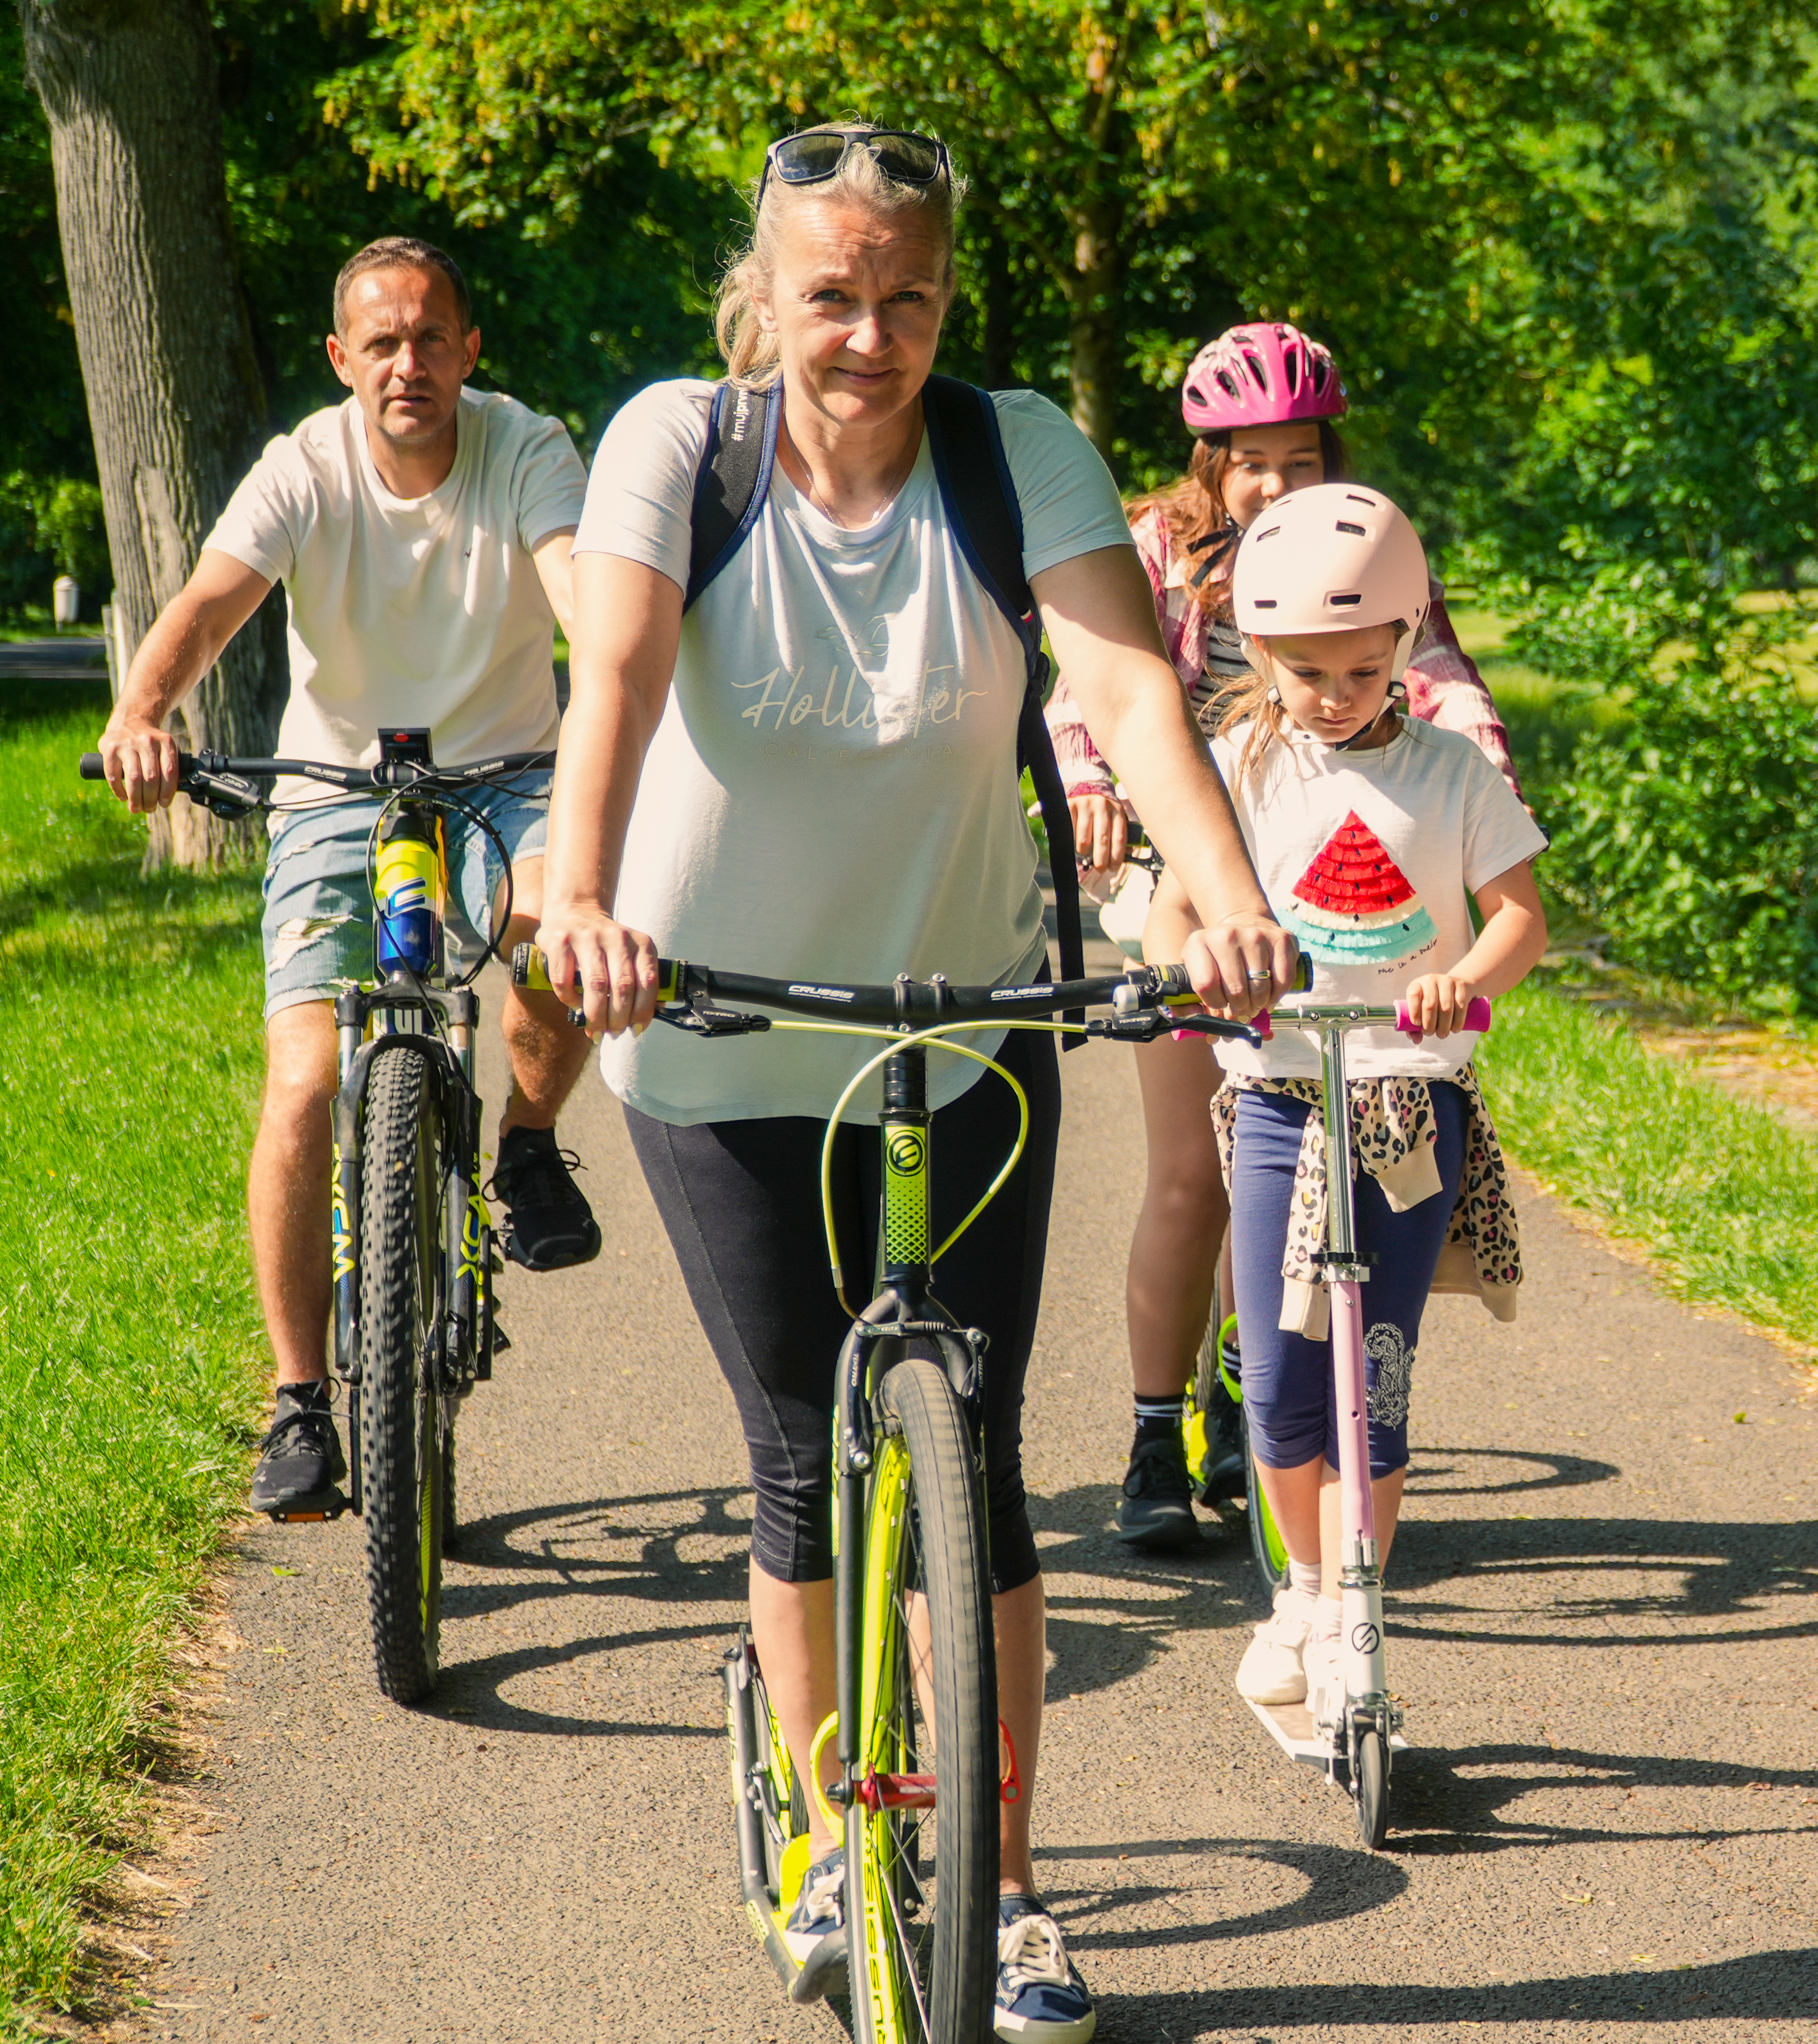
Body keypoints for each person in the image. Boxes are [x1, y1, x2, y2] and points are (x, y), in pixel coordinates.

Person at [531, 125, 1292, 2043]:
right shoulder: (675, 450)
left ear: (948, 300)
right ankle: (819, 1827)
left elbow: (1127, 688)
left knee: (981, 1453)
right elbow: (611, 686)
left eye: (910, 297)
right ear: (767, 292)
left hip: (968, 1015)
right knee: (802, 1449)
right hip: (710, 1016)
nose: (870, 335)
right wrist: (582, 896)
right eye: (832, 295)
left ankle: (1009, 1890)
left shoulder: (1006, 444)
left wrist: (1229, 901)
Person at [93, 235, 601, 1523]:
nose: (408, 364)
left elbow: (581, 599)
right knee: (307, 1079)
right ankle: (302, 1399)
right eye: (381, 342)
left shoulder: (528, 448)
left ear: (469, 349)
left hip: (507, 774)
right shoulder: (304, 468)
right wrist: (145, 707)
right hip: (337, 785)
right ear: (341, 359)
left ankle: (528, 1149)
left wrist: (629, 693)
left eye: (432, 337)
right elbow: (212, 601)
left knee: (560, 925)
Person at [1048, 319, 1527, 1554]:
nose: (1273, 483)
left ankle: (1251, 1412)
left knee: (1303, 1193)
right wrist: (1091, 780)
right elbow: (1090, 682)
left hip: (1324, 845)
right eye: (1246, 459)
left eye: (1296, 457)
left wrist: (1472, 765)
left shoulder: (1358, 544)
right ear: (1205, 459)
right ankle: (1159, 1426)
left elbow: (1438, 670)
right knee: (1190, 1170)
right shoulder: (1156, 546)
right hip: (1188, 862)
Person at [1152, 482, 1544, 1725]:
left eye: (1363, 669)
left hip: (1402, 1107)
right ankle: (1305, 1589)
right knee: (1277, 1373)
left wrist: (1459, 983)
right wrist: (1192, 962)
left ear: (1405, 642)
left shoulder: (1452, 774)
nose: (1333, 694)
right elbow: (1177, 903)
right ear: (1258, 653)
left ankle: (1361, 1592)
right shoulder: (1235, 770)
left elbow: (1521, 919)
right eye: (1305, 670)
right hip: (1275, 1095)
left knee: (1374, 1369)